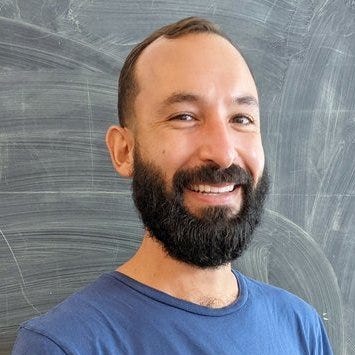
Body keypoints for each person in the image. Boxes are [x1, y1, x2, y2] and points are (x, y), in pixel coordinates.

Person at [12, 17, 333, 354]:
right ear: (124, 151)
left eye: (241, 119)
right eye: (184, 116)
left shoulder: (300, 326)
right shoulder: (66, 345)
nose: (223, 154)